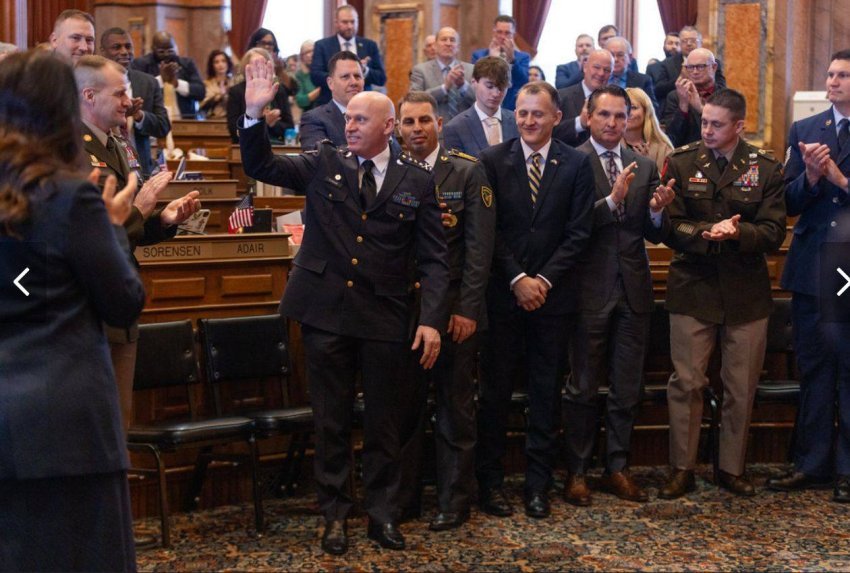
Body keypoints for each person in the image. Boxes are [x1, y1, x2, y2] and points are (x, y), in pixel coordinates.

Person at [238, 59, 449, 554]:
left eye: (359, 119)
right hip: (326, 312)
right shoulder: (324, 162)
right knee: (330, 421)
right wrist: (252, 115)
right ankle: (335, 515)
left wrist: (432, 320)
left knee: (384, 423)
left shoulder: (417, 180)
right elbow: (262, 167)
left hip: (384, 316)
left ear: (388, 126)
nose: (348, 126)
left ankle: (382, 514)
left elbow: (435, 260)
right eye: (347, 118)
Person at [0, 49, 144, 571]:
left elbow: (18, 288)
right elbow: (123, 302)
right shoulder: (70, 198)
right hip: (68, 419)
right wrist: (113, 227)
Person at [658, 89, 786, 499]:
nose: (707, 130)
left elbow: (773, 232)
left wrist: (737, 232)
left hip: (745, 292)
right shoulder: (681, 161)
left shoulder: (765, 167)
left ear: (738, 126)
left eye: (716, 124)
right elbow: (670, 226)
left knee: (740, 386)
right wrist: (704, 232)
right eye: (704, 122)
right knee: (687, 383)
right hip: (693, 287)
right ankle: (682, 468)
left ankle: (731, 468)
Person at [476, 81, 594, 519]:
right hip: (503, 298)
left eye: (538, 114)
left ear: (556, 118)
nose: (528, 121)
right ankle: (490, 484)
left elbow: (579, 233)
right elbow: (488, 230)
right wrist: (517, 279)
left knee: (545, 396)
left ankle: (537, 486)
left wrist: (541, 280)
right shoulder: (492, 160)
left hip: (553, 301)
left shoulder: (576, 163)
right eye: (522, 113)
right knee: (495, 396)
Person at [75, 55, 201, 431]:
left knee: (120, 423)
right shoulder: (72, 150)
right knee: (91, 428)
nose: (129, 102)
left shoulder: (116, 144)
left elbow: (127, 231)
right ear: (89, 95)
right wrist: (141, 209)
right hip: (87, 308)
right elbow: (88, 233)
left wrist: (161, 220)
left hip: (120, 301)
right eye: (119, 94)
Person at [565, 85, 674, 506]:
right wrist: (611, 201)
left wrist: (657, 210)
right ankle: (577, 471)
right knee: (583, 387)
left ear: (630, 118)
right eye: (604, 115)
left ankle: (617, 467)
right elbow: (569, 226)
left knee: (627, 387)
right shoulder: (571, 161)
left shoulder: (643, 165)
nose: (612, 123)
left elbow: (654, 233)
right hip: (587, 288)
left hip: (634, 288)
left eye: (619, 116)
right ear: (588, 116)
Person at [396, 91, 496, 531]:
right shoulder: (391, 170)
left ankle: (455, 500)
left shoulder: (467, 171)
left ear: (438, 123)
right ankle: (405, 499)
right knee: (406, 409)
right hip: (406, 311)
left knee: (456, 409)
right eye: (408, 122)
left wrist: (468, 309)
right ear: (398, 128)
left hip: (456, 310)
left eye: (424, 121)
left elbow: (479, 250)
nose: (416, 129)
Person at [766, 49, 850, 502]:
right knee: (814, 369)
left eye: (843, 75)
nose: (833, 81)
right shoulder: (805, 130)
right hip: (813, 268)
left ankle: (847, 471)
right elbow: (786, 202)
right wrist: (812, 179)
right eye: (830, 73)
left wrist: (840, 180)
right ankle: (812, 464)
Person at [100, 27, 171, 178]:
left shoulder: (148, 83)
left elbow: (163, 126)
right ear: (102, 52)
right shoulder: (95, 83)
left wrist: (139, 115)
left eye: (128, 46)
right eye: (117, 47)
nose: (124, 52)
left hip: (141, 169)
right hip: (105, 166)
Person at [443, 56, 518, 157]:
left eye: (501, 87)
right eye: (490, 86)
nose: (496, 94)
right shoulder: (455, 128)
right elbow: (457, 166)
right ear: (474, 82)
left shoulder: (518, 122)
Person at [311, 5, 386, 105]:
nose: (350, 26)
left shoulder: (369, 45)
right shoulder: (322, 45)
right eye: (345, 22)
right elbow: (315, 76)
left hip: (364, 104)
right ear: (336, 23)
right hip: (330, 104)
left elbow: (381, 78)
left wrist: (364, 70)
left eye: (353, 22)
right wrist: (341, 77)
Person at [130, 31, 206, 119]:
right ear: (153, 49)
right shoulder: (141, 64)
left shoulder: (187, 64)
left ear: (176, 48)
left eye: (170, 51)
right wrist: (161, 79)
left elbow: (201, 92)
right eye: (161, 52)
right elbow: (137, 92)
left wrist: (177, 84)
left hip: (185, 119)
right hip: (154, 119)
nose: (166, 55)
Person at [227, 48, 294, 144]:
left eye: (264, 63)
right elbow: (234, 130)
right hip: (248, 145)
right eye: (255, 64)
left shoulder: (278, 89)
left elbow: (290, 128)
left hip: (277, 145)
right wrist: (262, 121)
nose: (260, 67)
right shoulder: (236, 91)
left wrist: (272, 124)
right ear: (246, 68)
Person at [299, 51, 364, 150]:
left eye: (357, 76)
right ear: (330, 83)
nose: (353, 82)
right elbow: (321, 156)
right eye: (345, 77)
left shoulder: (377, 116)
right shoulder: (314, 119)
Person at [408, 27, 475, 122]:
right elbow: (413, 101)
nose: (448, 44)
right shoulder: (420, 70)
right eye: (444, 39)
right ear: (435, 46)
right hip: (434, 127)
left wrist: (463, 86)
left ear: (458, 47)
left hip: (465, 127)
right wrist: (444, 88)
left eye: (452, 40)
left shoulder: (471, 69)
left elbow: (481, 100)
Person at [652, 26, 726, 105]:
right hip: (677, 105)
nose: (689, 44)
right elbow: (658, 90)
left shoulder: (711, 62)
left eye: (693, 40)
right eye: (684, 41)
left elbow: (721, 87)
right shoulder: (666, 64)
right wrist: (681, 77)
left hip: (709, 103)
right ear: (680, 44)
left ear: (701, 43)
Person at [660, 48, 719, 148]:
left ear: (713, 67)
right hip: (686, 153)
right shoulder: (675, 96)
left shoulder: (725, 96)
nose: (695, 72)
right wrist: (683, 106)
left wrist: (701, 109)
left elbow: (726, 132)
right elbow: (672, 138)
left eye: (700, 67)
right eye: (690, 67)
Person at [553, 49, 613, 147]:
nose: (601, 73)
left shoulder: (615, 101)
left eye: (607, 70)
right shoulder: (561, 96)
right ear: (585, 67)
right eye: (596, 67)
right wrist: (579, 123)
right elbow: (550, 133)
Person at [471, 15, 530, 111]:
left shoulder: (522, 57)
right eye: (499, 32)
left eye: (507, 33)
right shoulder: (479, 55)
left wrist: (512, 60)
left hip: (511, 108)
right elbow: (475, 82)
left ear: (513, 35)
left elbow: (523, 82)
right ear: (493, 33)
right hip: (485, 107)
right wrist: (491, 60)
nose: (502, 37)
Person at [624, 86, 674, 172]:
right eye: (624, 107)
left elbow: (669, 179)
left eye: (633, 107)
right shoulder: (610, 145)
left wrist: (647, 164)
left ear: (646, 112)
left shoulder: (664, 149)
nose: (627, 112)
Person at [606, 37, 659, 112]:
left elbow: (652, 110)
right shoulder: (599, 77)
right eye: (611, 55)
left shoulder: (642, 81)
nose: (615, 59)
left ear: (630, 57)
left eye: (620, 55)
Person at [200, 49, 233, 119]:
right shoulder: (206, 84)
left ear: (228, 63)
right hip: (212, 120)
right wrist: (220, 96)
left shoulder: (234, 82)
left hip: (231, 120)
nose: (221, 64)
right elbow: (203, 105)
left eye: (223, 61)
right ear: (212, 65)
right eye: (216, 62)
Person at [294, 40, 321, 113]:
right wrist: (320, 90)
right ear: (302, 57)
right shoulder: (299, 75)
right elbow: (300, 100)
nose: (311, 54)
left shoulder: (324, 70)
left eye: (313, 51)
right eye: (307, 52)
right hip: (310, 113)